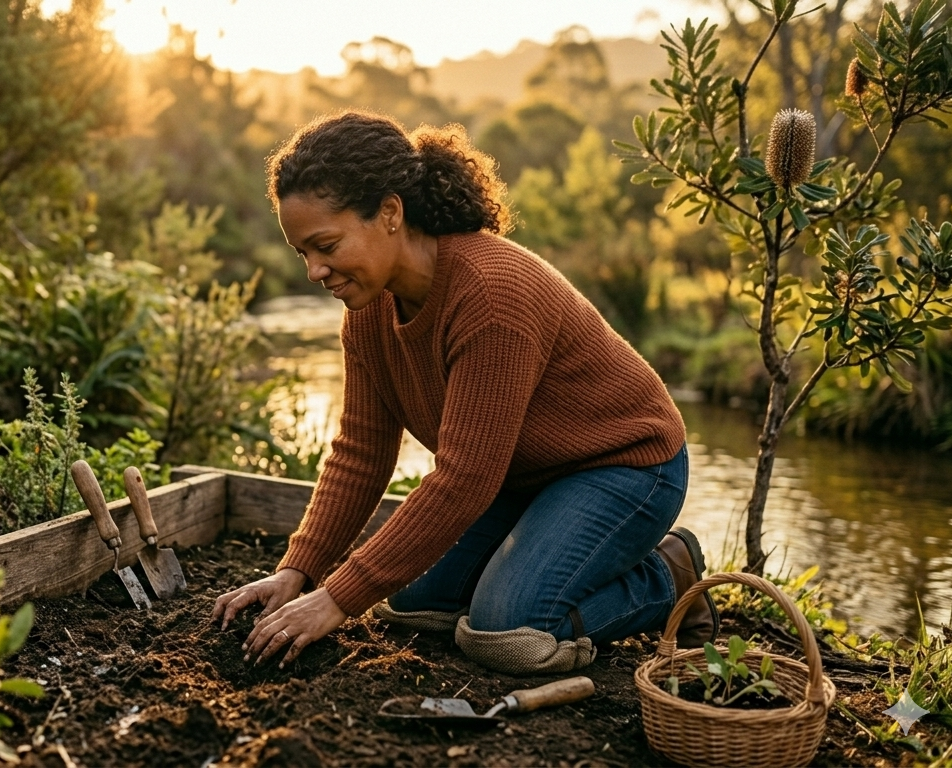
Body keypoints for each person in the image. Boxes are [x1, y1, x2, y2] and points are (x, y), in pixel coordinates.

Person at [210, 110, 717, 675]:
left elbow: (464, 479)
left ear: (391, 213)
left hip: (625, 466)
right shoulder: (368, 310)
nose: (313, 271)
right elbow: (360, 453)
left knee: (506, 636)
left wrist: (334, 600)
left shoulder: (491, 297)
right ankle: (529, 561)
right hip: (521, 476)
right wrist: (299, 571)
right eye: (302, 253)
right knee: (410, 605)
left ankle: (669, 575)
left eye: (325, 245)